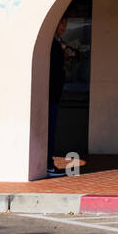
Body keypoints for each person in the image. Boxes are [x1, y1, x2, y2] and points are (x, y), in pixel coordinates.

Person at [46, 17, 67, 178]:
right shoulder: (51, 45)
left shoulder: (54, 43)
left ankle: (47, 163)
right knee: (48, 131)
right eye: (62, 23)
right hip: (50, 95)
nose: (64, 26)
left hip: (53, 94)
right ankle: (47, 164)